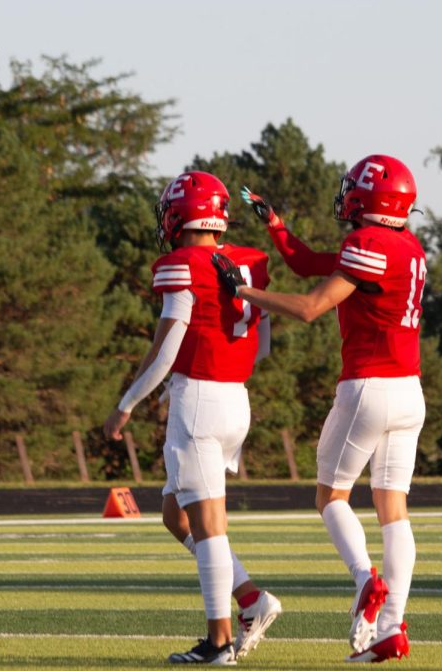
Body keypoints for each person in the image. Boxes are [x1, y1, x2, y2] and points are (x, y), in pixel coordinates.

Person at [212, 155, 425, 663]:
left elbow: (310, 307)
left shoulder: (367, 243)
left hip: (368, 386)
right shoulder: (407, 246)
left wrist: (242, 290)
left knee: (331, 496)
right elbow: (312, 263)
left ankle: (362, 579)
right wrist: (277, 226)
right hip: (409, 391)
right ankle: (390, 628)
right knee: (393, 509)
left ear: (365, 198)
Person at [102, 171, 282, 665]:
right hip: (234, 399)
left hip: (199, 400)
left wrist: (127, 404)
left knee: (208, 524)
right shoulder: (249, 262)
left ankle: (220, 641)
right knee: (175, 515)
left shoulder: (183, 263)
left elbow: (165, 351)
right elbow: (261, 346)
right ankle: (251, 598)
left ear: (180, 214)